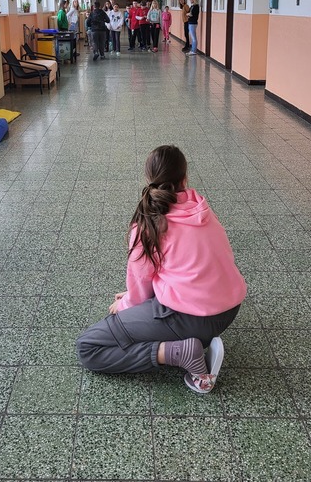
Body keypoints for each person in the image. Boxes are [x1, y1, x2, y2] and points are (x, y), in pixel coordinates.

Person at [77, 145, 247, 393]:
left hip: (192, 318)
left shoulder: (150, 224)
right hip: (228, 311)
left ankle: (179, 353)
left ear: (148, 178)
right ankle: (186, 341)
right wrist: (134, 298)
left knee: (88, 347)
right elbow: (185, 267)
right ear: (185, 178)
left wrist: (126, 304)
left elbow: (140, 282)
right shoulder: (202, 210)